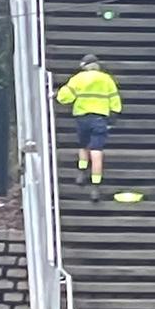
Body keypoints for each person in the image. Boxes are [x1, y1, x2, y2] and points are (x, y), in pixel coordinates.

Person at [56, 53, 122, 201]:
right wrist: (114, 115)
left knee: (83, 145)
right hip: (100, 118)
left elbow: (64, 97)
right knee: (97, 150)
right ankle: (95, 186)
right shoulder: (106, 79)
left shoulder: (78, 78)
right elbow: (114, 98)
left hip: (82, 117)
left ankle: (81, 171)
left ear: (84, 66)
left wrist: (56, 95)